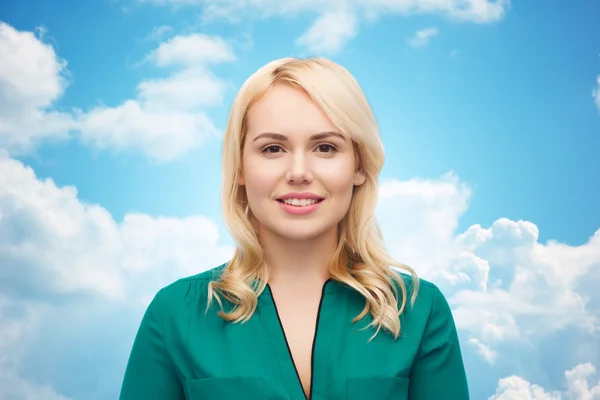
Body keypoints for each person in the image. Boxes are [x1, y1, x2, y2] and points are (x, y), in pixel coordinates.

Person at [119, 57, 470, 400]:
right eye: (273, 148)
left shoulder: (419, 309)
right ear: (239, 167)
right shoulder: (174, 315)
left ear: (358, 165)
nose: (299, 172)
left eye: (325, 147)